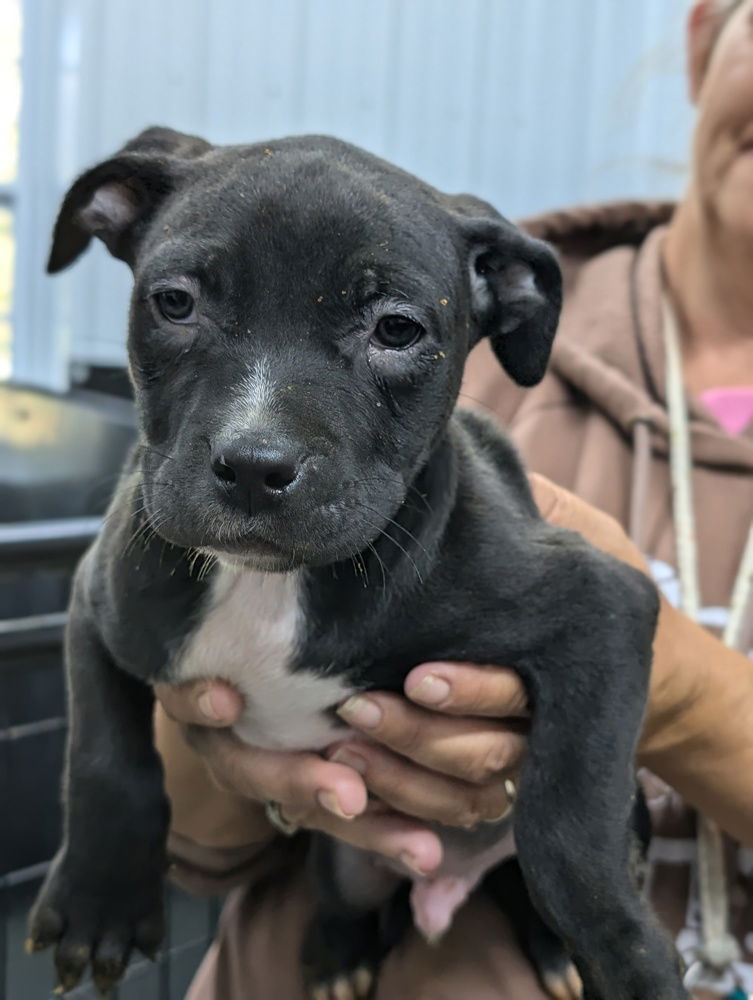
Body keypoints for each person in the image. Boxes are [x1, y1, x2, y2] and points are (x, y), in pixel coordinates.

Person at [154, 1, 753, 996]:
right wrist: (224, 700)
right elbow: (192, 839)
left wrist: (670, 690)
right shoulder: (445, 324)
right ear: (704, 38)